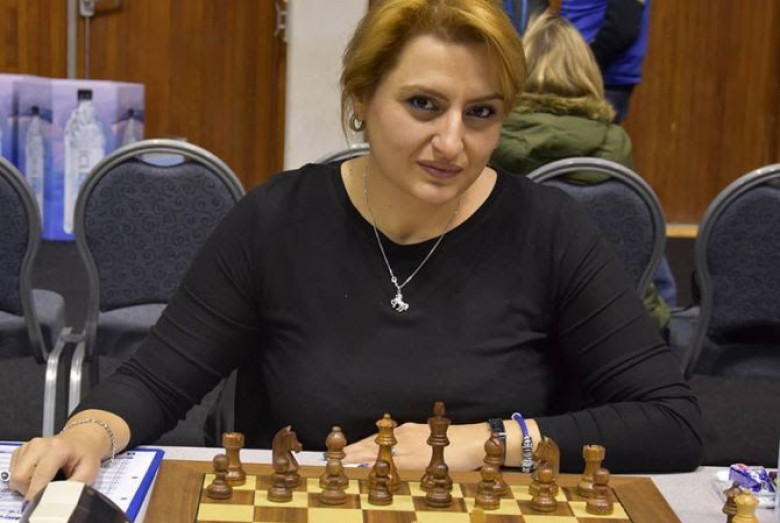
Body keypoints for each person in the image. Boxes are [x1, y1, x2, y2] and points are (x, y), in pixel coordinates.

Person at [9, 0, 702, 502]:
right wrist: (88, 433)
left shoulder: (548, 229)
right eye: (424, 104)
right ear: (362, 99)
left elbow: (670, 420)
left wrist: (485, 440)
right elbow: (159, 379)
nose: (453, 142)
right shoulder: (277, 220)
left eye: (481, 113)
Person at [489, 10, 670, 332]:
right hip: (613, 326)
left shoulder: (492, 141)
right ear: (588, 73)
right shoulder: (617, 143)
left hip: (514, 324)